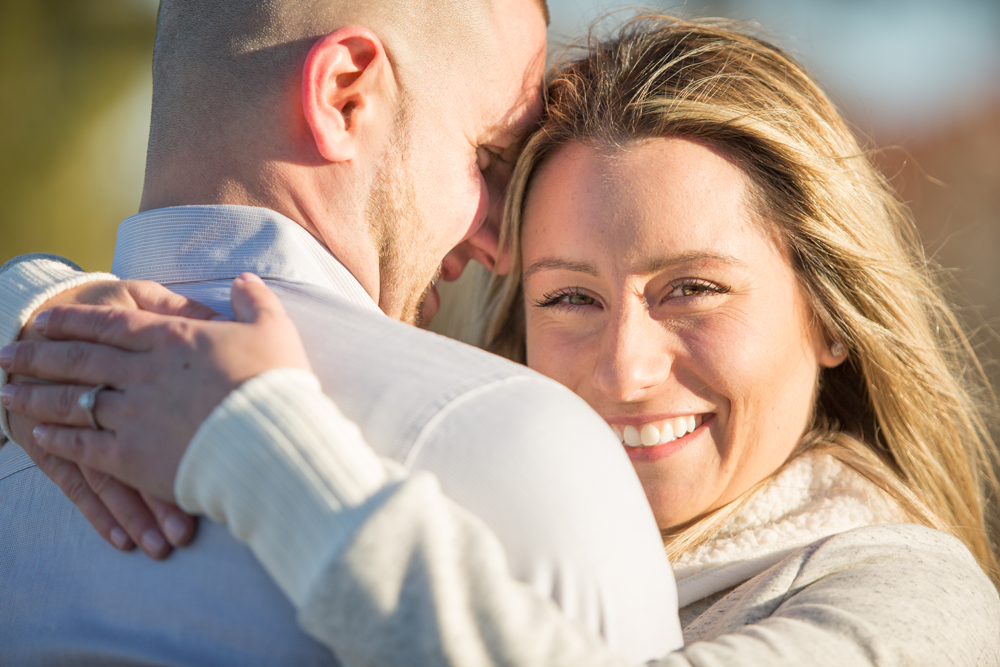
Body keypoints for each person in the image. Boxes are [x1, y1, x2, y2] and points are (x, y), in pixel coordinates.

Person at [4, 11, 1000, 666]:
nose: (624, 366)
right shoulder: (479, 471)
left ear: (827, 312)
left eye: (692, 288)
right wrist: (50, 333)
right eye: (569, 297)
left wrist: (263, 454)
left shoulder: (924, 606)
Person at [0, 1, 684, 665]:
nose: (501, 247)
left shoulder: (18, 398)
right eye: (489, 156)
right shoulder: (525, 448)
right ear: (344, 96)